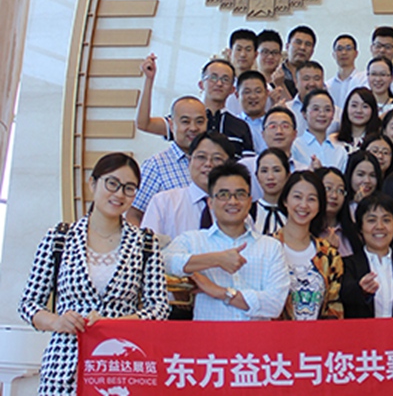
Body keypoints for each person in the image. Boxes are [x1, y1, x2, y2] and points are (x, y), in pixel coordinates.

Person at [18, 153, 169, 395]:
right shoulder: (59, 237)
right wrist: (57, 321)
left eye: (129, 188)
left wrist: (115, 324)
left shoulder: (145, 243)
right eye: (112, 183)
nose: (119, 194)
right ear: (93, 183)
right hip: (64, 365)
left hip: (119, 365)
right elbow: (28, 304)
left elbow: (159, 308)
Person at [163, 161, 290, 321]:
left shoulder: (271, 247)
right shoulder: (192, 240)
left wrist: (220, 292)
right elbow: (163, 262)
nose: (232, 201)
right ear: (210, 202)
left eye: (240, 194)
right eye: (223, 195)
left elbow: (274, 305)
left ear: (249, 201)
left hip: (255, 336)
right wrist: (216, 259)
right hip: (209, 336)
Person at [134, 57, 253, 160]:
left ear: (232, 89)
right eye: (213, 77)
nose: (219, 84)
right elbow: (144, 124)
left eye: (225, 79)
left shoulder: (240, 126)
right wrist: (149, 80)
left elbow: (247, 165)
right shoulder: (185, 118)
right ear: (201, 84)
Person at [273, 171, 344, 320]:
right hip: (275, 333)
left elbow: (334, 306)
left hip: (319, 334)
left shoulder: (329, 255)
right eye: (297, 197)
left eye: (311, 199)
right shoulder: (267, 247)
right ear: (285, 200)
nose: (304, 205)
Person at [141, 132, 235, 242]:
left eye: (217, 158)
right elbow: (148, 246)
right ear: (189, 161)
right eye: (201, 157)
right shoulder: (163, 202)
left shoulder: (235, 207)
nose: (208, 164)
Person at [129, 95, 207, 226]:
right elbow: (134, 214)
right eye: (185, 122)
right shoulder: (156, 166)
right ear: (171, 125)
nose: (193, 128)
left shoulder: (215, 163)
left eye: (199, 122)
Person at [291, 89, 348, 172]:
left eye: (327, 110)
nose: (322, 114)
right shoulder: (295, 146)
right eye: (316, 109)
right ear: (304, 113)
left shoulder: (340, 151)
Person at [286, 60, 341, 136]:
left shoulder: (338, 114)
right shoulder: (286, 109)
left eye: (317, 79)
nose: (312, 84)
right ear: (296, 82)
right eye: (306, 79)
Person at [249, 148, 290, 236]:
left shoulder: (295, 210)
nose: (270, 177)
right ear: (257, 176)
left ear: (288, 175)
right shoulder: (248, 211)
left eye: (276, 170)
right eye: (264, 171)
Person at [315, 167, 353, 258]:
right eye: (328, 188)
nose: (334, 196)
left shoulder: (352, 234)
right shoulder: (306, 232)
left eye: (340, 191)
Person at [331, 87, 381, 153]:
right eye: (354, 105)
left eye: (365, 106)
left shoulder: (380, 141)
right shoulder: (333, 140)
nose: (359, 111)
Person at [326, 34, 367, 108]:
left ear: (356, 53)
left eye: (348, 48)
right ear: (333, 54)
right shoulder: (328, 86)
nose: (344, 52)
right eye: (339, 49)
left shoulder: (364, 80)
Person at [233, 70, 270, 154]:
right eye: (247, 92)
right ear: (237, 95)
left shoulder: (274, 124)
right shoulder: (233, 124)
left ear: (267, 93)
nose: (253, 96)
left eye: (258, 91)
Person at [255, 29, 292, 105]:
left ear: (280, 56)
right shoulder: (248, 82)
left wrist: (280, 85)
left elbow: (293, 108)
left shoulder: (290, 84)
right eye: (265, 52)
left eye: (275, 53)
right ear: (256, 54)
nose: (270, 56)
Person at [280, 25, 317, 97]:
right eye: (298, 42)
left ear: (312, 51)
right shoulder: (277, 74)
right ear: (287, 46)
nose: (302, 48)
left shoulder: (315, 78)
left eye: (308, 44)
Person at [344, 151, 382, 217]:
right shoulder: (340, 204)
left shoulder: (384, 206)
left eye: (372, 175)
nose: (367, 180)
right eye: (360, 174)